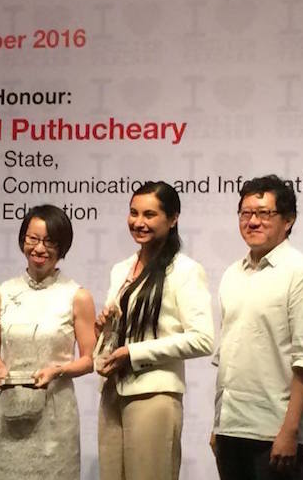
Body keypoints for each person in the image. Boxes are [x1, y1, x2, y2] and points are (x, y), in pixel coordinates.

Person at [211, 174, 303, 480]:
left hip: (275, 432)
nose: (252, 222)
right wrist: (218, 425)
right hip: (230, 429)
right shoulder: (232, 274)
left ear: (288, 220)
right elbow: (228, 357)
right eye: (246, 213)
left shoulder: (302, 273)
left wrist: (290, 431)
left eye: (264, 213)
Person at [96, 181, 214, 480]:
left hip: (155, 394)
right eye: (133, 213)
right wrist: (105, 329)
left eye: (149, 214)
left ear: (173, 218)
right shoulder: (121, 268)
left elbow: (202, 339)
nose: (139, 222)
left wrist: (134, 352)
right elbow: (118, 332)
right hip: (113, 392)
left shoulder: (185, 270)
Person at [0, 204, 96, 479]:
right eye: (32, 239)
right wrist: (0, 368)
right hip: (10, 410)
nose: (39, 248)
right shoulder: (1, 293)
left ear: (63, 246)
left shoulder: (77, 296)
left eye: (49, 242)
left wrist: (57, 370)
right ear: (22, 240)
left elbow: (89, 360)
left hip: (56, 412)